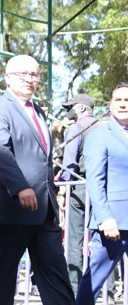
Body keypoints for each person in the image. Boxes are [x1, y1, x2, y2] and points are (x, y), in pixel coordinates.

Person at [0, 55, 74, 305]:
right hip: (10, 209)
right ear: (7, 77)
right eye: (22, 74)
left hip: (44, 211)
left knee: (56, 277)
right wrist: (21, 186)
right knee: (1, 282)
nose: (29, 79)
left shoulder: (39, 112)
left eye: (33, 74)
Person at [75, 82, 128, 305]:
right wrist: (105, 217)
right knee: (94, 281)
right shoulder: (99, 135)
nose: (123, 104)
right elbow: (95, 181)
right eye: (118, 100)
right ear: (110, 104)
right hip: (112, 223)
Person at [59, 93, 111, 297]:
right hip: (105, 188)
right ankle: (110, 289)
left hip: (79, 187)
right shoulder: (106, 127)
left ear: (81, 108)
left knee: (75, 239)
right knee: (107, 239)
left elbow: (69, 164)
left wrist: (64, 188)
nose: (68, 111)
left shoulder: (75, 128)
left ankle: (75, 288)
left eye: (70, 107)